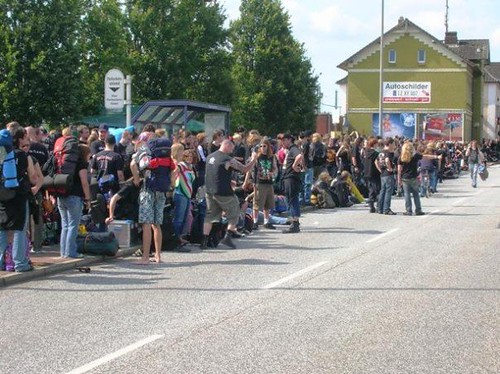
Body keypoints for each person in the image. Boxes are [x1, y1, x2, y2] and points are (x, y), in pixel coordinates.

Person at [200, 139, 257, 249]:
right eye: (231, 148)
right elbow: (245, 169)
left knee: (210, 216)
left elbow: (215, 173)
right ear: (226, 146)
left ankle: (204, 241)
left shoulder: (210, 157)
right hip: (223, 192)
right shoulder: (227, 159)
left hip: (210, 191)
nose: (232, 151)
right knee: (235, 212)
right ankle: (228, 236)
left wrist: (227, 180)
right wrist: (254, 159)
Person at [0, 127, 37, 272]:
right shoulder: (23, 155)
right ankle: (20, 263)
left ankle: (1, 261)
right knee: (19, 230)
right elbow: (33, 178)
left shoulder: (1, 155)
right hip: (19, 196)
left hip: (2, 196)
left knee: (2, 229)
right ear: (19, 139)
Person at [58, 136, 92, 258]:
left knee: (65, 225)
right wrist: (88, 198)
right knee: (73, 225)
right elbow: (84, 181)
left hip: (61, 195)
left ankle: (63, 252)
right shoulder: (82, 164)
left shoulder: (68, 162)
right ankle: (71, 252)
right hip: (75, 196)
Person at [397, 142, 440, 216]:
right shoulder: (415, 156)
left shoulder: (401, 157)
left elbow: (399, 170)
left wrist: (399, 179)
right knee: (416, 194)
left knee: (407, 195)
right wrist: (436, 157)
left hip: (405, 178)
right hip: (413, 177)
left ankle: (409, 210)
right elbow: (425, 156)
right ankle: (418, 210)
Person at [248, 138, 278, 230]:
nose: (262, 148)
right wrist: (252, 181)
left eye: (264, 146)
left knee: (268, 204)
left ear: (268, 146)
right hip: (259, 182)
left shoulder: (272, 157)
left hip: (269, 182)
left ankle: (266, 222)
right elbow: (252, 169)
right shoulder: (257, 157)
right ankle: (255, 222)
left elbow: (275, 168)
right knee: (257, 203)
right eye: (261, 146)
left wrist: (272, 173)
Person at [171, 145, 196, 247]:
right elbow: (173, 174)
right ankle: (176, 239)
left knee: (185, 217)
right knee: (179, 218)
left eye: (191, 157)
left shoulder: (190, 167)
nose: (189, 158)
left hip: (187, 194)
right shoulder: (181, 165)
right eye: (187, 156)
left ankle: (180, 237)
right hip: (180, 193)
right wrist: (173, 185)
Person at [281, 134, 304, 234]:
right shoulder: (290, 150)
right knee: (291, 199)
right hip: (289, 178)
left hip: (291, 178)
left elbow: (299, 156)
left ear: (290, 140)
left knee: (292, 199)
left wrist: (294, 166)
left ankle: (294, 223)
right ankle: (295, 222)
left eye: (284, 140)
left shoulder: (293, 148)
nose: (283, 142)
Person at [377, 137, 396, 215]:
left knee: (383, 191)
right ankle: (386, 209)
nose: (394, 145)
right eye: (393, 144)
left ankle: (379, 208)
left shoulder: (381, 152)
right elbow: (387, 160)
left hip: (383, 174)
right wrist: (389, 168)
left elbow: (376, 161)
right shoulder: (387, 152)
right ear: (390, 144)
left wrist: (380, 169)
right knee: (388, 191)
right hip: (388, 174)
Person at [363, 137, 381, 213]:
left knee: (371, 190)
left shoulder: (366, 152)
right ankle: (379, 206)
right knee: (377, 189)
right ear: (374, 144)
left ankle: (371, 207)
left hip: (367, 173)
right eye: (376, 143)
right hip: (374, 173)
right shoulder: (376, 153)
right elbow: (377, 163)